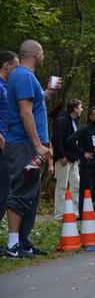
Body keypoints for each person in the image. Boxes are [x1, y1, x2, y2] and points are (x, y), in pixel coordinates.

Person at [4, 40, 55, 258]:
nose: (43, 57)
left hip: (28, 144)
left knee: (31, 193)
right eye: (42, 53)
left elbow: (34, 105)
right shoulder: (24, 76)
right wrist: (37, 144)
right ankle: (13, 244)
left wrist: (48, 92)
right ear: (35, 54)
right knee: (20, 190)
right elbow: (26, 113)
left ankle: (23, 242)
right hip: (24, 145)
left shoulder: (20, 76)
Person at [52, 99, 83, 219]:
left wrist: (78, 155)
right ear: (74, 108)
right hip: (64, 158)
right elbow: (57, 139)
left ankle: (74, 213)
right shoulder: (62, 120)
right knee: (62, 186)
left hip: (74, 159)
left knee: (76, 185)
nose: (81, 110)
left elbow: (75, 140)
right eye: (80, 107)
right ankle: (60, 215)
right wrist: (61, 155)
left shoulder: (74, 121)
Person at [0, 51, 19, 225]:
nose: (18, 68)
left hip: (11, 145)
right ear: (7, 65)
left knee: (6, 192)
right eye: (16, 65)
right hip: (2, 146)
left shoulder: (8, 86)